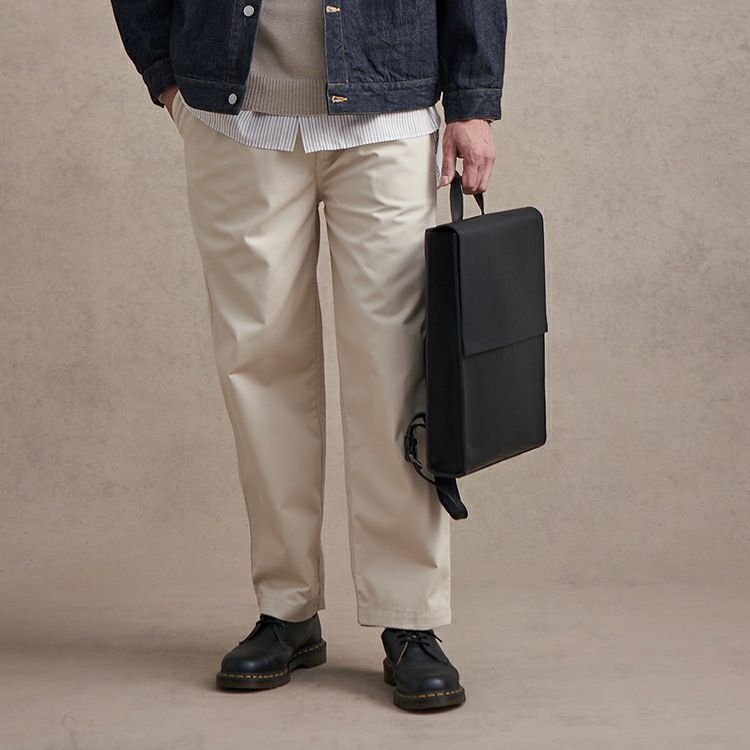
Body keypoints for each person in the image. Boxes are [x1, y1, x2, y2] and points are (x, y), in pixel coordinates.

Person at [110, 0, 506, 711]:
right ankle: (286, 608)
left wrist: (473, 101)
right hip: (235, 117)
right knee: (260, 368)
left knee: (399, 373)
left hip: (388, 112)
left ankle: (409, 615)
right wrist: (166, 76)